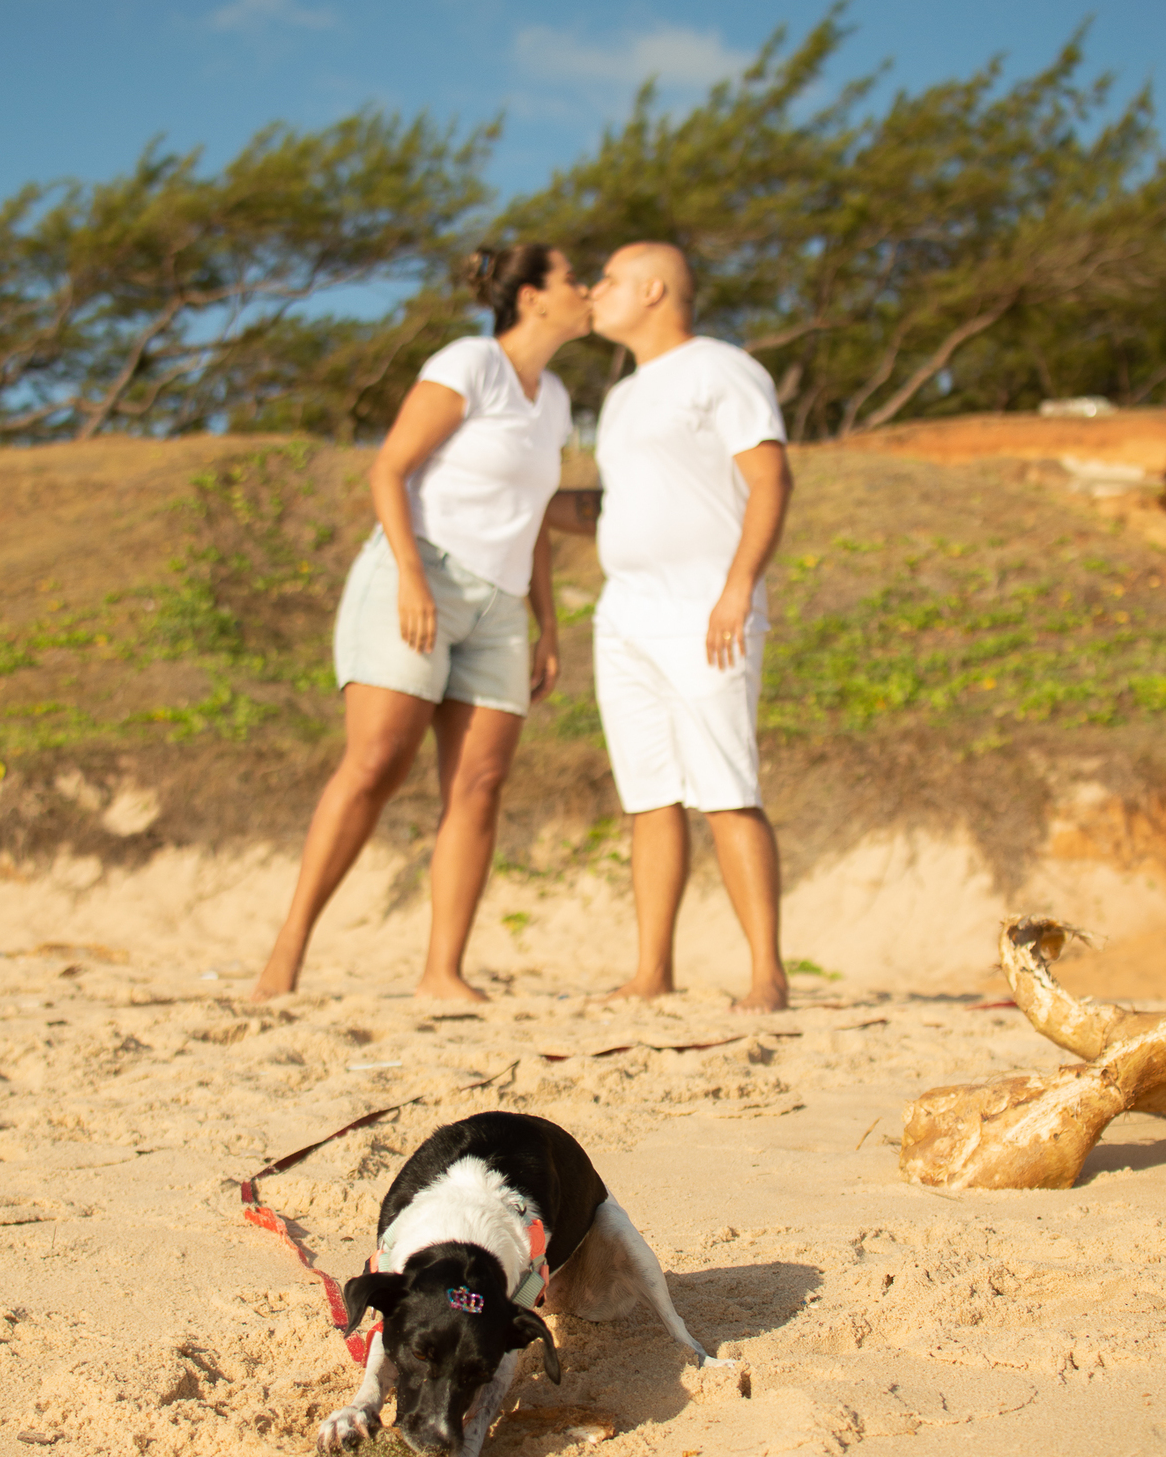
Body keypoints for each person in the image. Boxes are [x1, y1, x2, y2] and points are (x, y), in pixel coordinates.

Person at [252, 244, 591, 1003]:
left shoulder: (557, 399)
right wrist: (410, 575)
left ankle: (442, 972)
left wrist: (547, 624)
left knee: (481, 782)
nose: (587, 290)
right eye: (574, 279)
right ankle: (286, 953)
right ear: (532, 297)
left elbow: (535, 516)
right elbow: (389, 469)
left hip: (500, 605)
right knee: (377, 762)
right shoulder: (470, 362)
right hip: (419, 572)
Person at [548, 241, 793, 1012]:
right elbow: (614, 505)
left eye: (609, 279)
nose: (595, 290)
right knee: (649, 794)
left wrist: (737, 587)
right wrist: (525, 500)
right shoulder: (622, 396)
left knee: (726, 786)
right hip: (625, 613)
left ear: (653, 290)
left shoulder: (722, 369)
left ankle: (767, 976)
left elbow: (770, 480)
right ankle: (652, 971)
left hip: (705, 608)